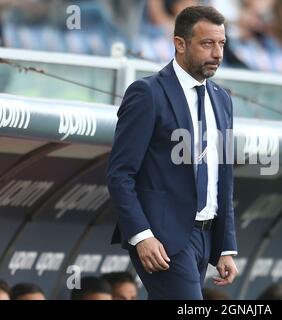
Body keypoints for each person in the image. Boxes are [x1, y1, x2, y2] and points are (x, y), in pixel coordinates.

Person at [106, 5, 238, 300]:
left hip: (207, 236)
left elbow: (223, 178)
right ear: (180, 44)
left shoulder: (222, 99)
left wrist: (226, 246)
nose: (217, 53)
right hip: (164, 239)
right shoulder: (147, 93)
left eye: (221, 44)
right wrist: (142, 235)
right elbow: (120, 174)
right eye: (207, 44)